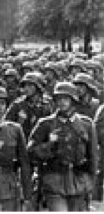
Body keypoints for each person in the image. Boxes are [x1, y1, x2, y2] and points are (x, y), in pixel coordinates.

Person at [27, 82, 98, 211]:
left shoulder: (86, 124)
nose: (62, 102)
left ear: (73, 101)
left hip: (79, 182)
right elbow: (31, 152)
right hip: (54, 181)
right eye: (59, 99)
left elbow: (93, 156)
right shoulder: (45, 124)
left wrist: (90, 183)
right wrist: (50, 146)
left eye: (66, 98)